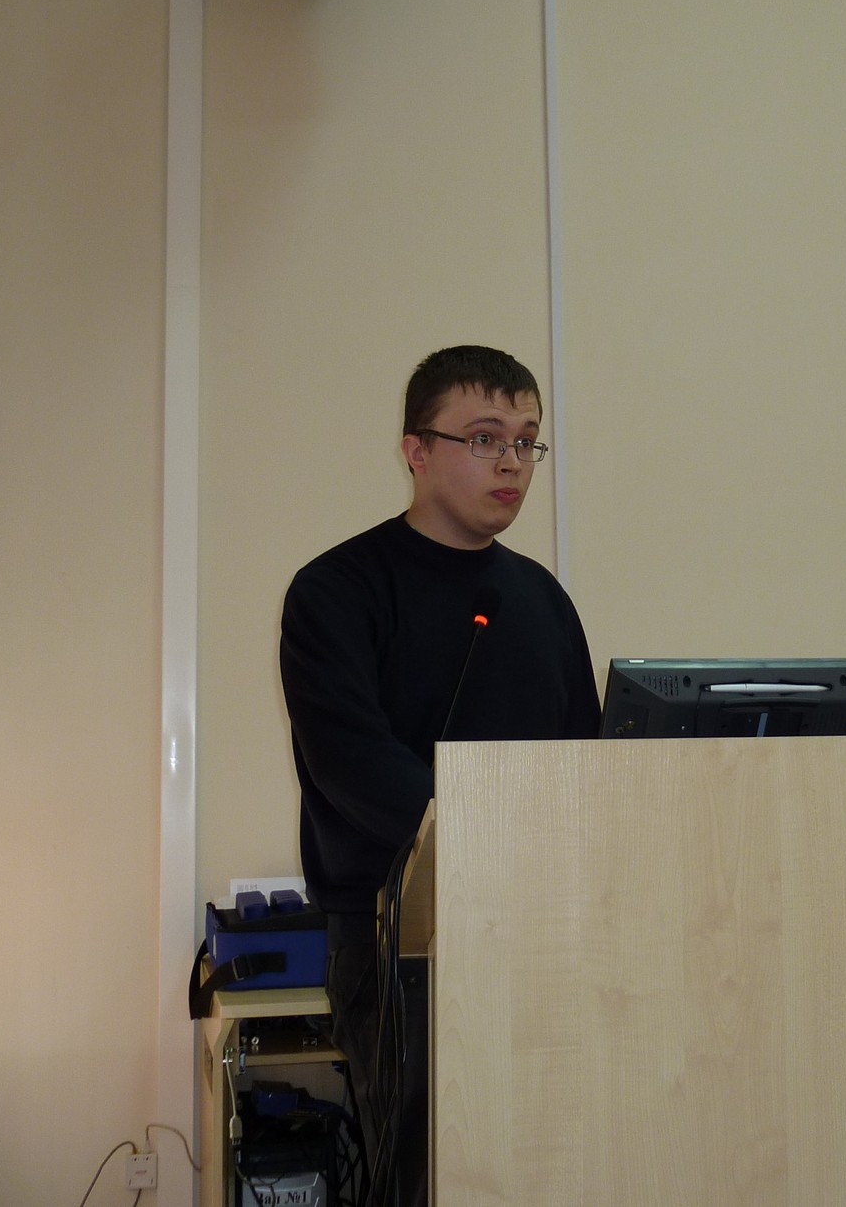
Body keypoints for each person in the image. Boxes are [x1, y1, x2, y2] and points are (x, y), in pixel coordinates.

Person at [279, 345, 601, 1205]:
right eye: (484, 437)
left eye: (526, 441)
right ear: (416, 451)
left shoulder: (543, 600)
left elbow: (586, 764)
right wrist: (497, 840)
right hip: (402, 942)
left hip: (543, 931)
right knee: (435, 1179)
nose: (511, 462)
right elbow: (354, 766)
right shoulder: (337, 590)